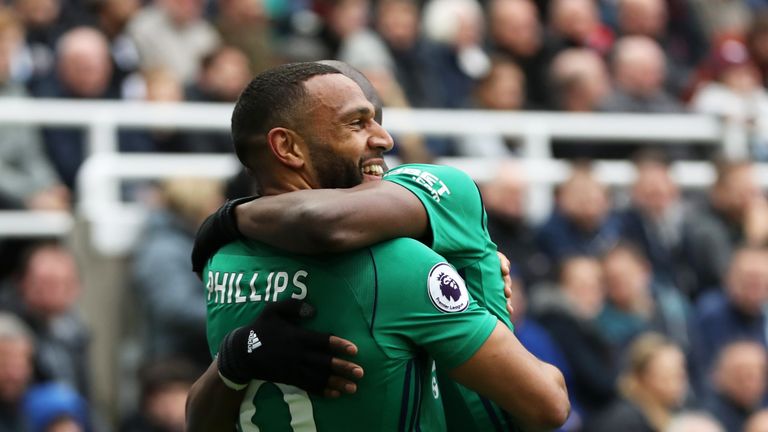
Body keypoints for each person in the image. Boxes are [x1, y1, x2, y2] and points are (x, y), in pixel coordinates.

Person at [186, 62, 569, 430]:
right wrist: (465, 290)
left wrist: (235, 357)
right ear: (288, 147)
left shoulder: (223, 260)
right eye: (356, 123)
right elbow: (548, 406)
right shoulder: (397, 262)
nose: (385, 139)